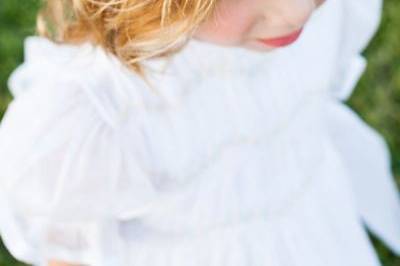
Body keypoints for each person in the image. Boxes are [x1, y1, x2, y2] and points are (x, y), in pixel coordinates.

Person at [0, 0, 399, 265]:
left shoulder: (329, 15)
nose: (294, 11)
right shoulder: (103, 113)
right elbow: (66, 245)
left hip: (313, 228)